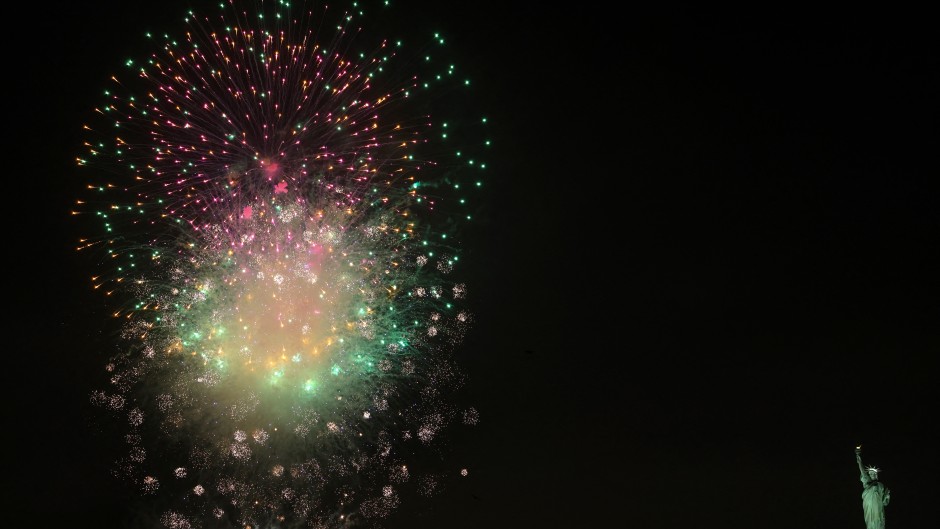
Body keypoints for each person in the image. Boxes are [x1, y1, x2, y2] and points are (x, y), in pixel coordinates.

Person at [855, 446, 890, 529]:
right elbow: (862, 470)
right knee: (870, 522)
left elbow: (885, 502)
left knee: (879, 521)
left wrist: (887, 496)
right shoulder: (867, 482)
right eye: (871, 474)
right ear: (869, 476)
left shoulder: (881, 485)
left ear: (877, 475)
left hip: (878, 507)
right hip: (869, 505)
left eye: (874, 474)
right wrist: (858, 457)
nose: (873, 475)